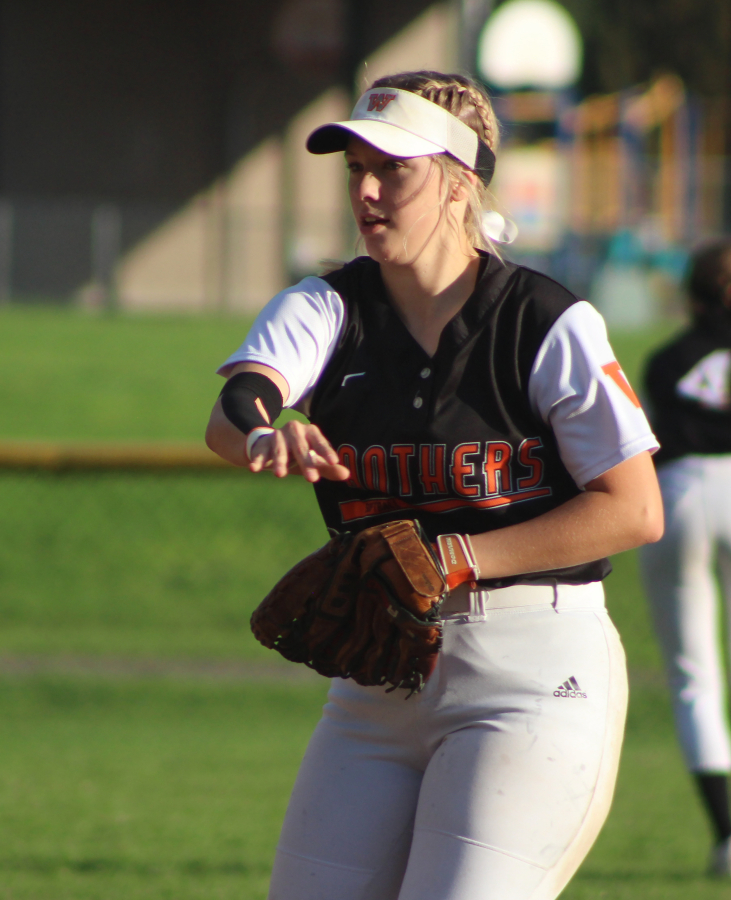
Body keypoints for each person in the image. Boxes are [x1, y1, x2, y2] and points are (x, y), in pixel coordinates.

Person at [206, 70, 663, 900]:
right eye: (355, 169)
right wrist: (268, 431)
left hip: (532, 676)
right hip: (379, 678)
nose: (368, 191)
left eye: (394, 169)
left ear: (459, 182)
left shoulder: (542, 320)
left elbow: (633, 510)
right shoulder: (330, 306)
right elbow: (239, 401)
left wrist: (453, 556)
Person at [640, 240, 731, 877]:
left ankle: (729, 835)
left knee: (695, 671)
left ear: (692, 295)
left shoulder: (667, 359)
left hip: (681, 495)